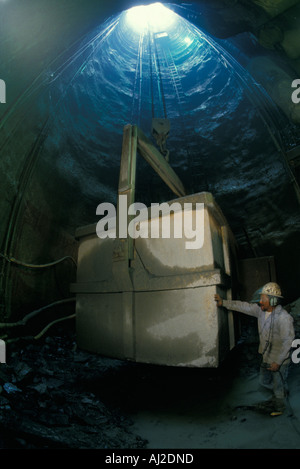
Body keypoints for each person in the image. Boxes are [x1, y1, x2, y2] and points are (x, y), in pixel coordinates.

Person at [214, 282, 295, 413]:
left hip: (279, 361)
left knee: (278, 385)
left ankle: (280, 406)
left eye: (263, 299)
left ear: (273, 300)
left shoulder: (284, 318)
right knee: (264, 381)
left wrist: (278, 362)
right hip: (266, 356)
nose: (260, 302)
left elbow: (288, 342)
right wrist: (224, 302)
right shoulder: (260, 311)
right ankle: (278, 393)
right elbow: (243, 306)